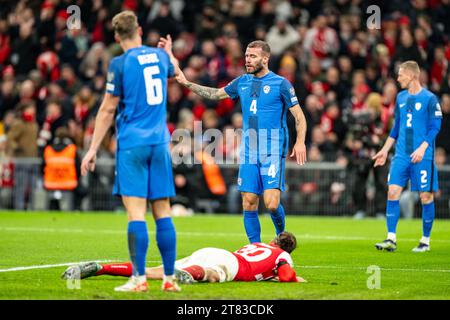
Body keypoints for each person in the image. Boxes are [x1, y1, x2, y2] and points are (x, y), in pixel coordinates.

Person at [158, 38, 307, 243]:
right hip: (249, 150)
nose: (248, 60)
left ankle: (281, 237)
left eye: (253, 56)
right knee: (248, 201)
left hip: (272, 149)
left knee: (272, 204)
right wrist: (186, 83)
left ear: (265, 58)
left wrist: (300, 142)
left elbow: (299, 116)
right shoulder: (242, 82)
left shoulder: (281, 84)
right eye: (246, 56)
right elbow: (215, 94)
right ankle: (255, 248)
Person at [80, 11, 180, 293]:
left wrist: (92, 149)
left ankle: (139, 279)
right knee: (163, 211)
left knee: (136, 213)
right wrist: (170, 53)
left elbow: (109, 108)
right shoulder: (160, 57)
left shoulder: (119, 63)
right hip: (160, 143)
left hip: (133, 144)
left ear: (115, 36)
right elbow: (176, 72)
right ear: (139, 29)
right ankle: (169, 279)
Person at [373, 60, 442, 253]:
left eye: (401, 74)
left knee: (425, 196)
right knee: (392, 192)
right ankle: (391, 239)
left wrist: (422, 148)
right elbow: (396, 128)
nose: (398, 78)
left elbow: (435, 126)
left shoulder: (430, 98)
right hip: (401, 155)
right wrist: (385, 150)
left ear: (412, 75)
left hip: (423, 156)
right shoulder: (401, 98)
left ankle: (425, 241)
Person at [61, 231, 306, 283]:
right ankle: (190, 275)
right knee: (211, 275)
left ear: (273, 240)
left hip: (215, 250)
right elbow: (285, 276)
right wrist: (295, 279)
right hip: (230, 263)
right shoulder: (283, 255)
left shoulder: (261, 244)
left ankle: (102, 268)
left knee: (155, 270)